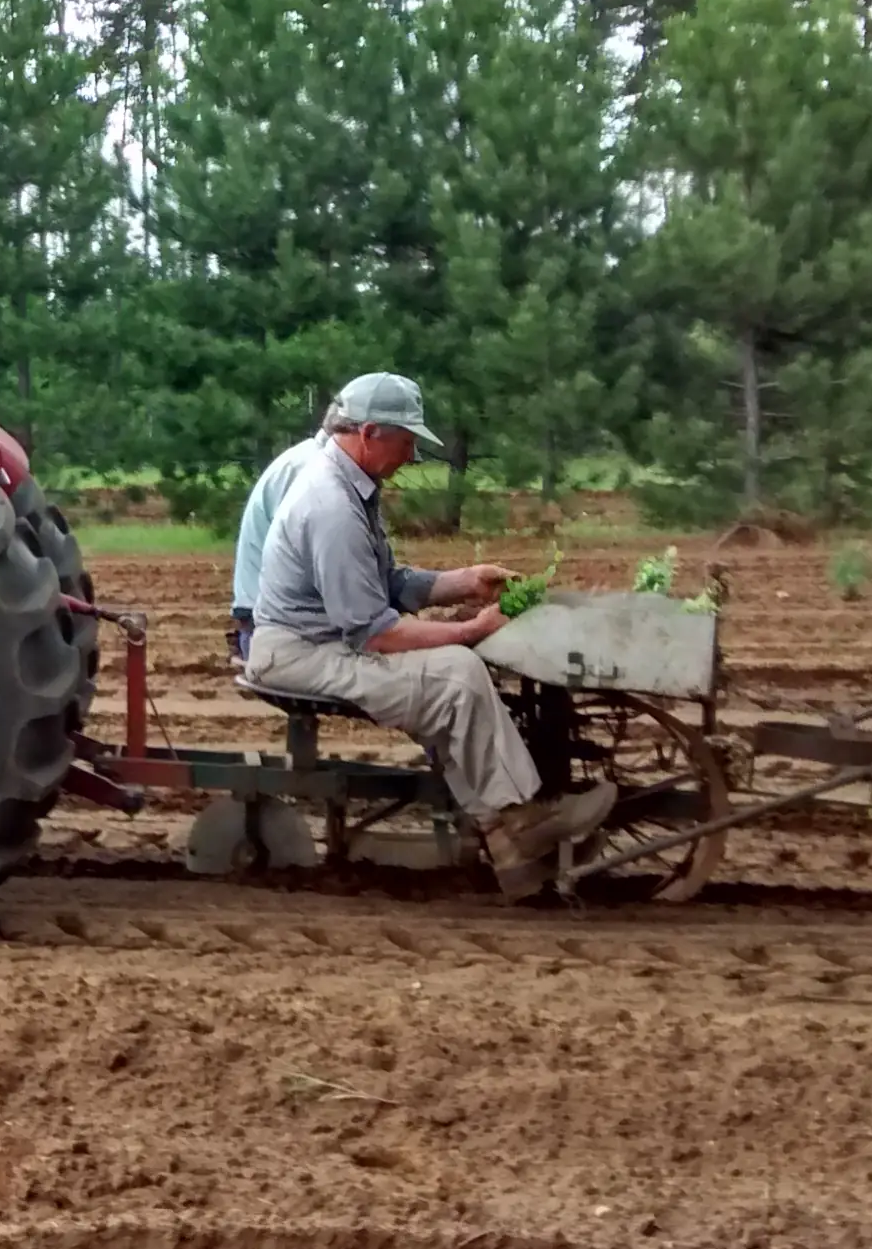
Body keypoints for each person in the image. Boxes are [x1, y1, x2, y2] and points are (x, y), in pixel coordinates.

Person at [242, 372, 616, 902]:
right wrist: (467, 632)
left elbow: (389, 582)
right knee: (456, 676)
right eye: (407, 440)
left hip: (322, 641)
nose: (412, 455)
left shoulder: (349, 487)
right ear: (370, 433)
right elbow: (373, 632)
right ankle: (523, 820)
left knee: (448, 679)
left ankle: (512, 847)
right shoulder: (330, 506)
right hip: (300, 654)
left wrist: (463, 581)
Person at [228, 374, 375, 662]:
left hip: (273, 622)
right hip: (278, 633)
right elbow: (337, 573)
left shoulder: (313, 463)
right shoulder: (312, 474)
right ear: (363, 435)